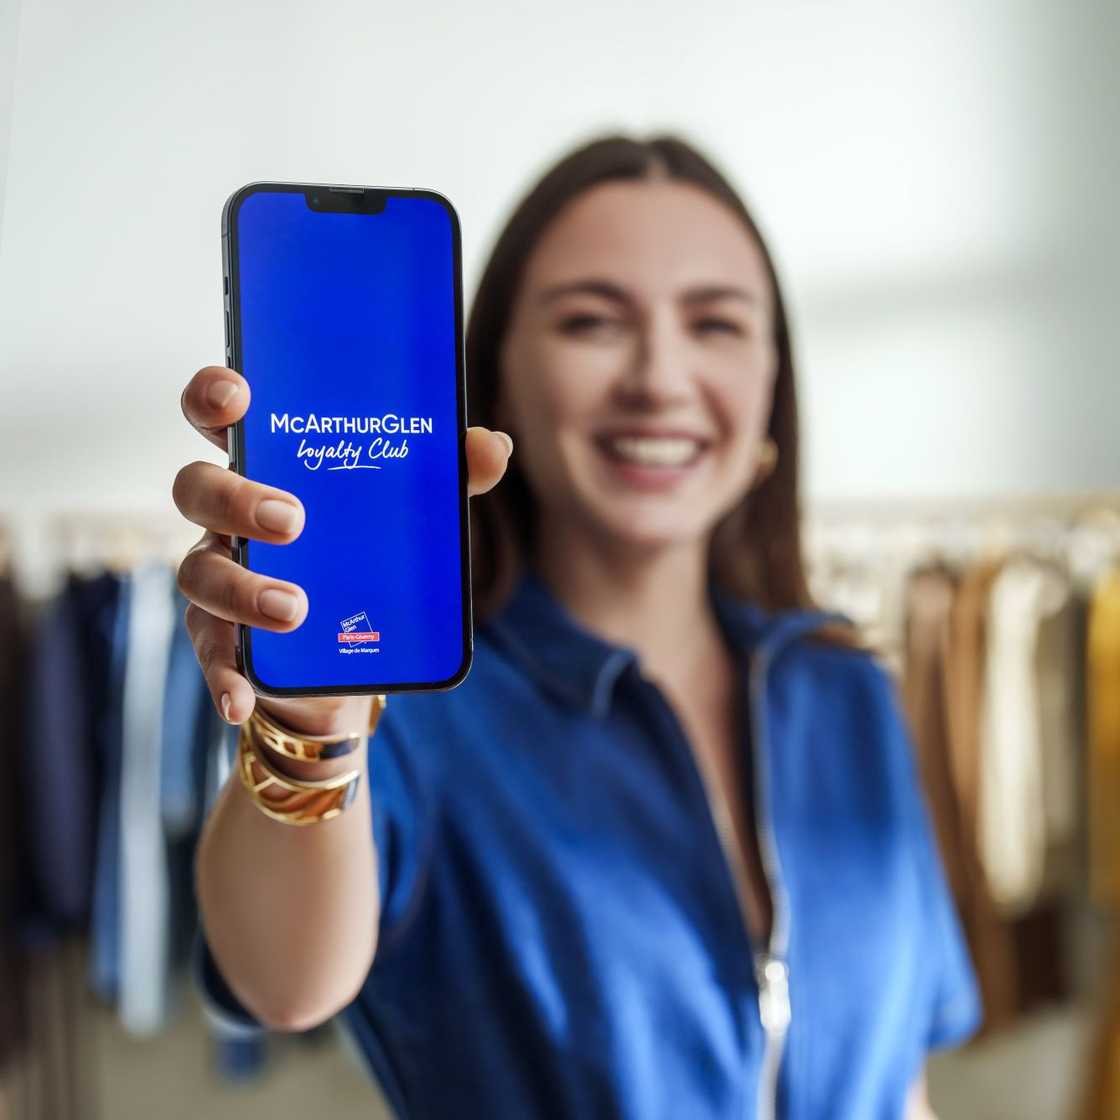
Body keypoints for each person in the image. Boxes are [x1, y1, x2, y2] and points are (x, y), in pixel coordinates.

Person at [176, 133, 981, 1119]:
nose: (660, 377)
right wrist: (312, 720)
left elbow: (902, 1085)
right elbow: (284, 983)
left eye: (716, 323)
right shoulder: (421, 714)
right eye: (592, 321)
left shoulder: (845, 690)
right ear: (494, 375)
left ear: (772, 380)